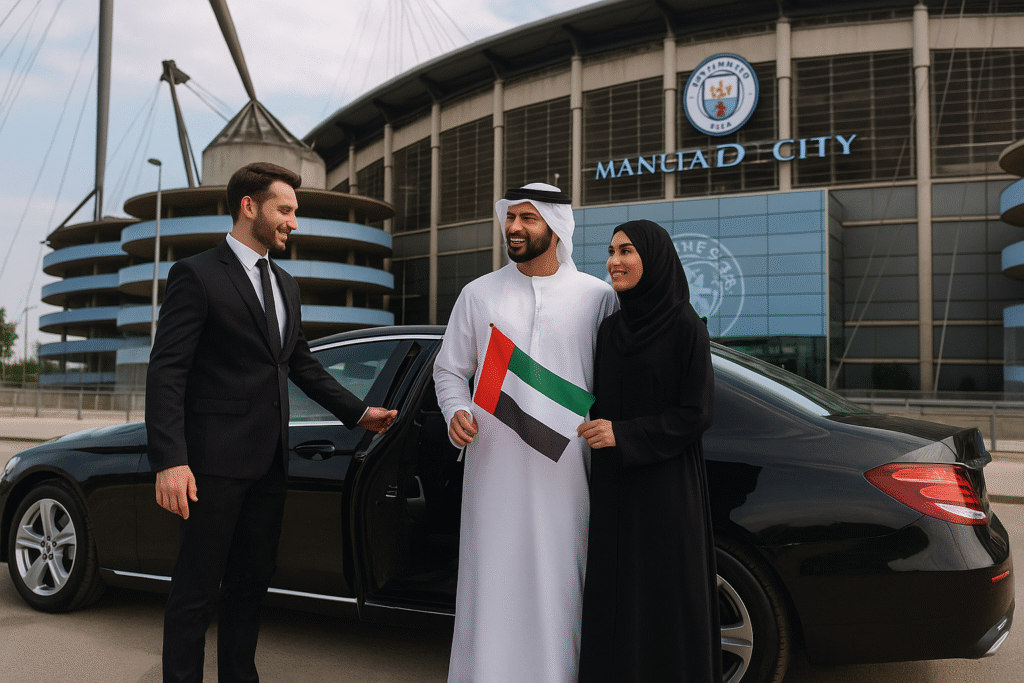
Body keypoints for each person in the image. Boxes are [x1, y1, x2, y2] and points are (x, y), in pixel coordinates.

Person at [146, 161, 396, 683]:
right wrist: (171, 460)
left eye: (294, 212)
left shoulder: (284, 283)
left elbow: (299, 363)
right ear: (249, 207)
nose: (293, 222)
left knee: (249, 589)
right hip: (210, 467)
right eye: (285, 210)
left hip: (269, 465)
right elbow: (167, 372)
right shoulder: (196, 274)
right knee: (195, 593)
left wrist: (358, 412)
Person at [433, 183, 618, 683]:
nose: (513, 227)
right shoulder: (479, 294)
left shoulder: (597, 298)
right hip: (493, 468)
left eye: (527, 218)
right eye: (510, 217)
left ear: (555, 228)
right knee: (492, 581)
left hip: (569, 472)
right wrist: (455, 411)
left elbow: (617, 382)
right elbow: (449, 370)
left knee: (561, 583)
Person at [576, 219, 720, 683]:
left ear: (653, 259)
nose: (614, 261)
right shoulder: (609, 329)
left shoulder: (685, 326)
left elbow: (696, 413)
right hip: (614, 489)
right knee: (617, 597)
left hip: (665, 489)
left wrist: (625, 434)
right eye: (611, 251)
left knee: (662, 599)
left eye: (627, 251)